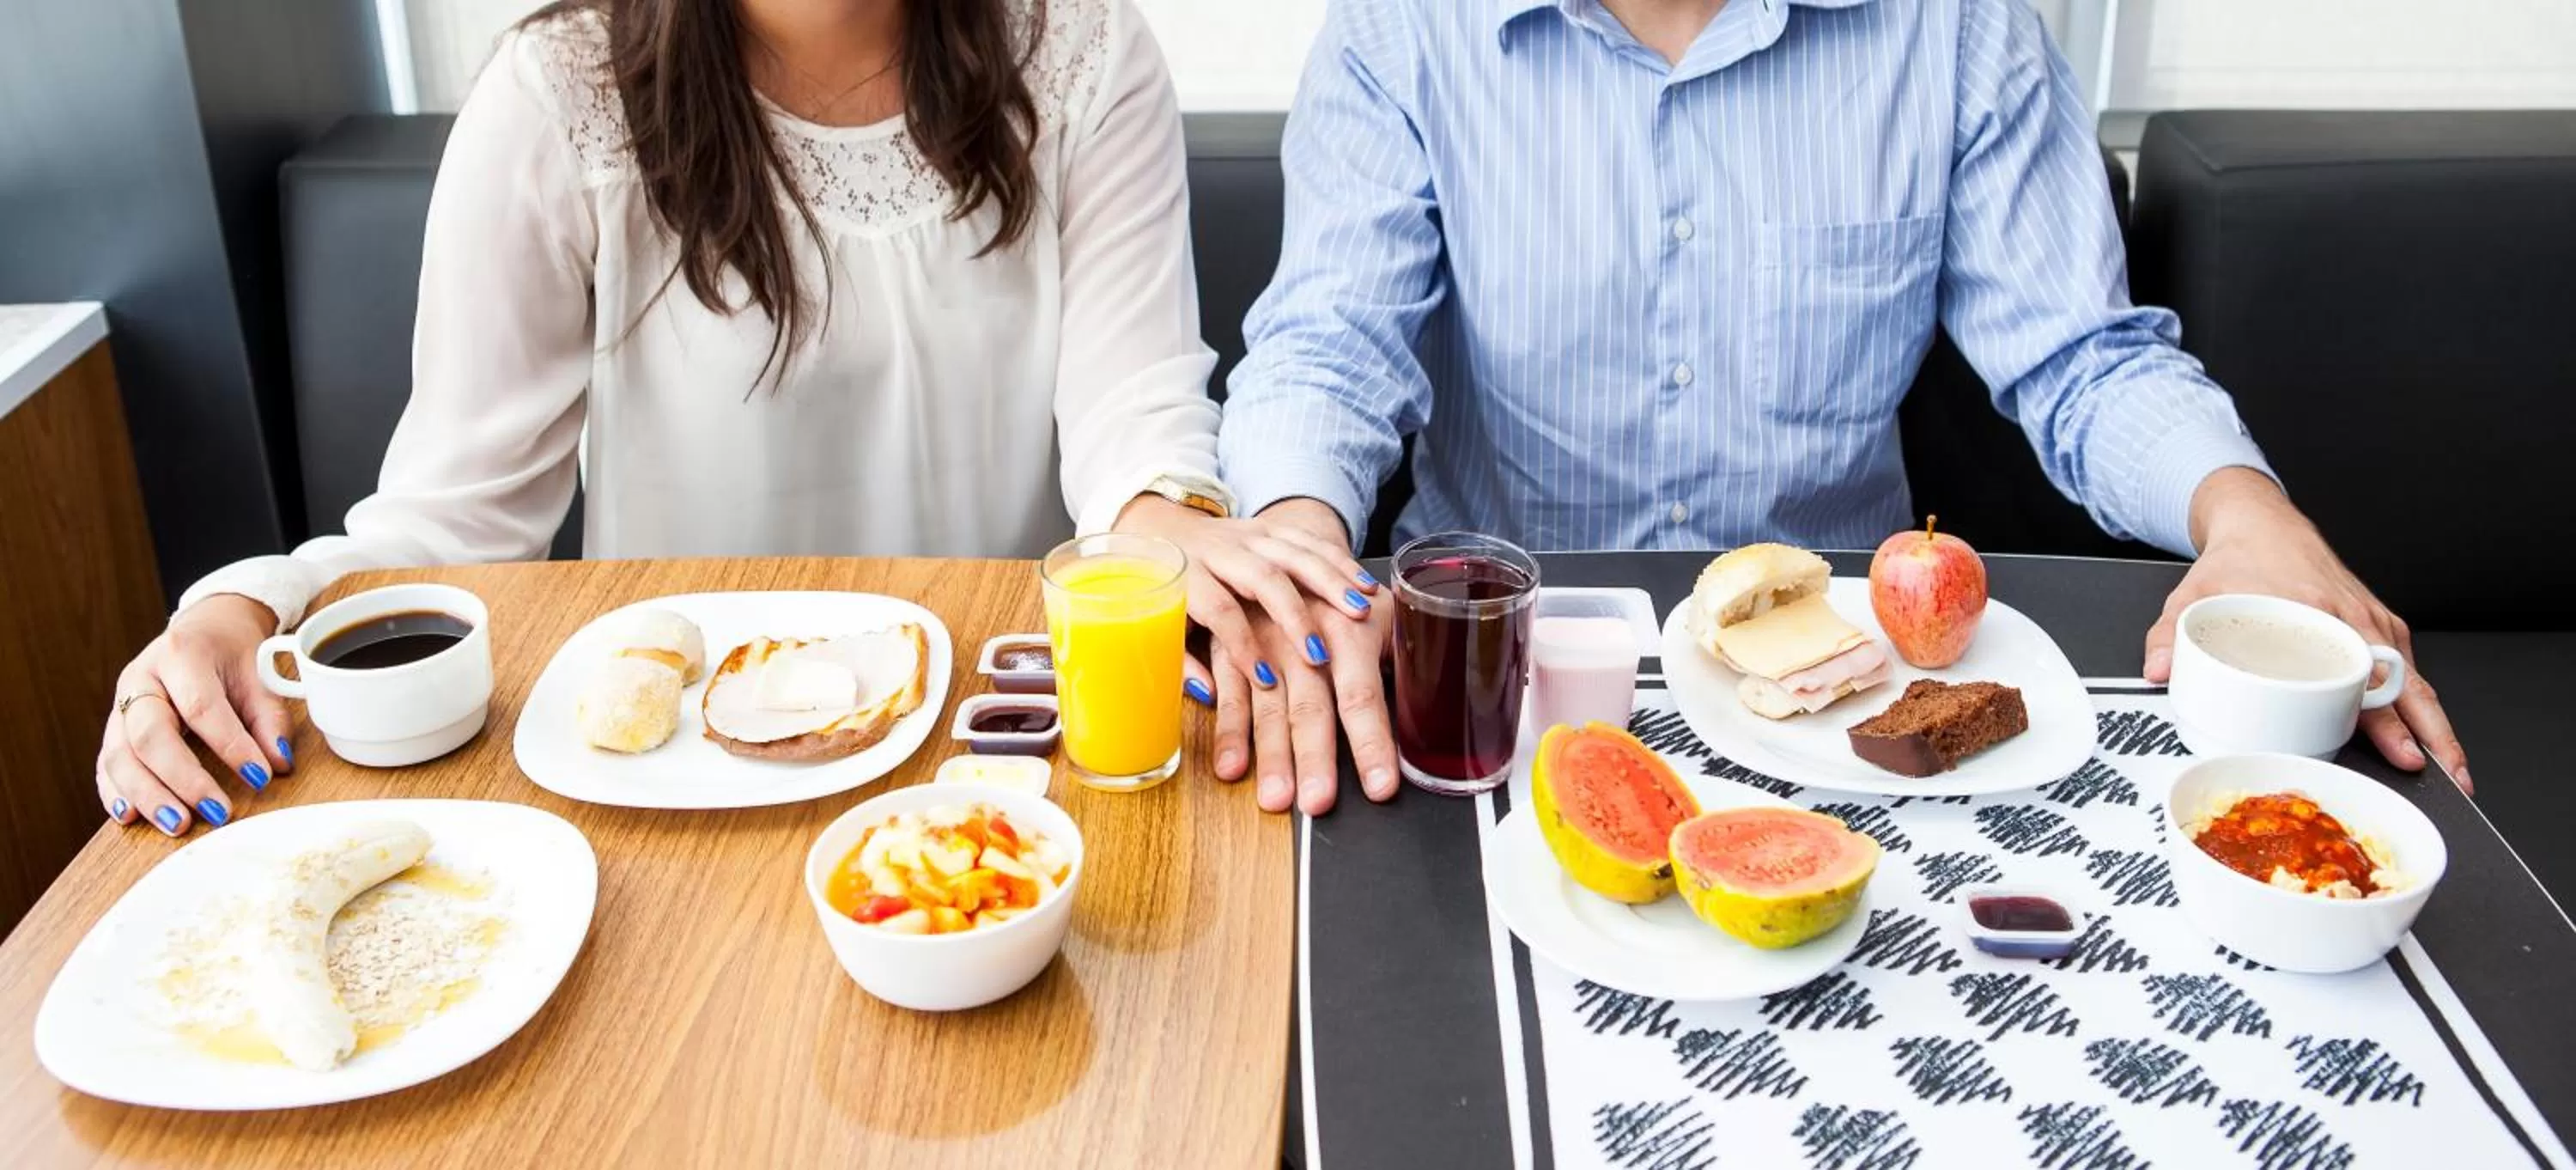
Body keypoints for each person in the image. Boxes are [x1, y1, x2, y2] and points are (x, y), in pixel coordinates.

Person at [94, 0, 1370, 837]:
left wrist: (1173, 522)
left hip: (1008, 760)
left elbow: (1133, 420)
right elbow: (450, 521)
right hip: (677, 787)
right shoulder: (560, 96)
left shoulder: (1086, 57)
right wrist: (241, 607)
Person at [1211, 0, 2467, 814]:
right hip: (1497, 676)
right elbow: (1329, 343)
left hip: (1850, 700)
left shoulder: (1960, 31)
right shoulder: (1399, 30)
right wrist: (1298, 538)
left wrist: (2248, 512)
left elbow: (2084, 356)